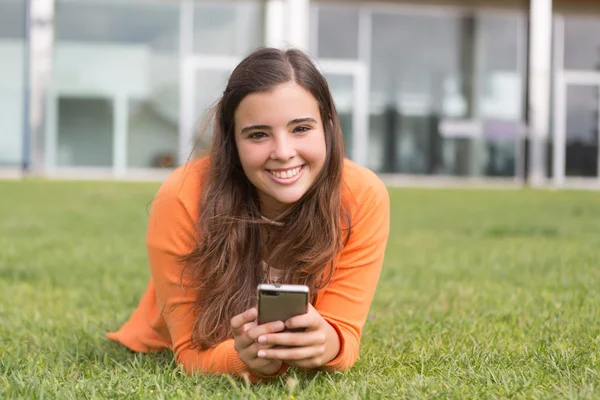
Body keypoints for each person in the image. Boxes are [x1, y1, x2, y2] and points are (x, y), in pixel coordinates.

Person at [107, 47, 390, 383]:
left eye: (301, 129)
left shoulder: (361, 196)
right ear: (232, 141)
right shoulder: (181, 197)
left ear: (328, 127)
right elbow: (190, 354)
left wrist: (327, 343)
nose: (284, 153)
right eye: (258, 134)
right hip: (160, 344)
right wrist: (244, 359)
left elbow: (343, 333)